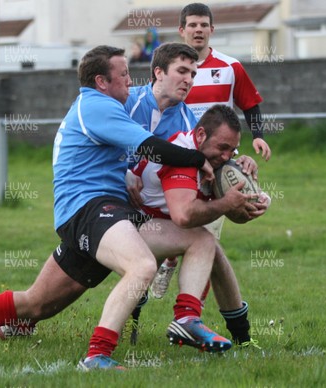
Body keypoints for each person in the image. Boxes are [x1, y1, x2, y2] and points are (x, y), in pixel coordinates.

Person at [0, 45, 241, 371]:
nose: (131, 80)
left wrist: (233, 168)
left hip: (114, 214)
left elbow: (169, 154)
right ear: (102, 81)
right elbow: (151, 148)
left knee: (38, 304)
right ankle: (97, 355)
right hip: (89, 210)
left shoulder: (114, 105)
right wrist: (199, 160)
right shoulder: (97, 106)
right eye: (124, 74)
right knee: (142, 266)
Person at [123, 42, 269, 348]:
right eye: (182, 71)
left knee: (208, 247)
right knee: (60, 287)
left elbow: (216, 159)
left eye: (193, 72)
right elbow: (95, 144)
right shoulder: (126, 102)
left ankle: (238, 336)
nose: (190, 79)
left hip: (156, 214)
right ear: (158, 72)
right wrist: (122, 173)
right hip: (110, 206)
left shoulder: (191, 124)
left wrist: (243, 175)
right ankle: (184, 320)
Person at [179, 2, 271, 162]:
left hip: (221, 157)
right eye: (192, 25)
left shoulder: (231, 66)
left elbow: (250, 105)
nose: (198, 29)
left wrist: (258, 136)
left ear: (211, 30)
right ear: (182, 30)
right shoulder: (170, 69)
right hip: (182, 154)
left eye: (204, 25)